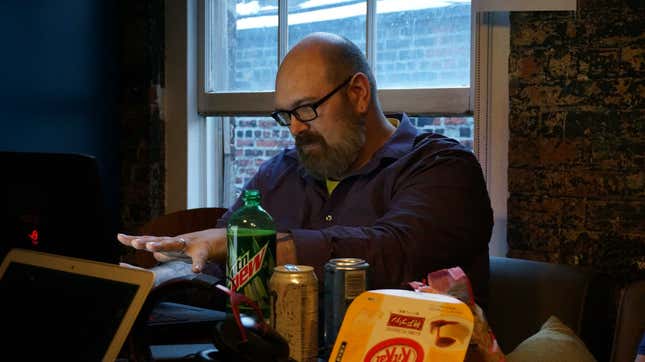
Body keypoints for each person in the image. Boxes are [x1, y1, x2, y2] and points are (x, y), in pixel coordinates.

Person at [118, 32, 493, 306]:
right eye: (286, 115)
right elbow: (218, 262)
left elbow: (394, 252)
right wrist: (156, 280)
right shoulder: (280, 172)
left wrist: (254, 249)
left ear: (358, 94)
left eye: (306, 109)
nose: (296, 127)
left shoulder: (443, 168)